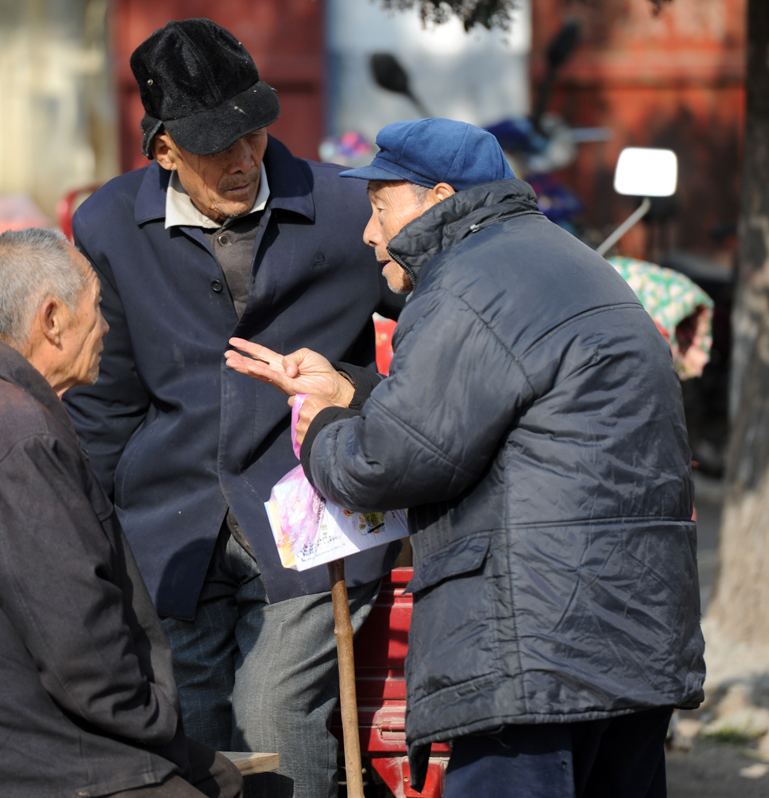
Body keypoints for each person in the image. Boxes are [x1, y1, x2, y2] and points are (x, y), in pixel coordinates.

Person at [227, 118, 706, 798]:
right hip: (631, 639)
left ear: (439, 198)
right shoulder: (562, 260)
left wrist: (322, 426)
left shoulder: (467, 285)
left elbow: (385, 465)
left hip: (535, 651)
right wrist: (352, 391)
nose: (369, 233)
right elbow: (500, 414)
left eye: (379, 207)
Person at [61, 19, 402, 798]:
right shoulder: (108, 225)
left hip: (315, 509)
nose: (245, 157)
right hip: (172, 522)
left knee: (274, 710)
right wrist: (88, 534)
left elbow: (441, 328)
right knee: (195, 724)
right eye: (218, 144)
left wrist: (363, 397)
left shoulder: (350, 211)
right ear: (164, 149)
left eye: (254, 132)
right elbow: (105, 401)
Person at [0, 228, 241, 798]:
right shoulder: (15, 434)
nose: (106, 327)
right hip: (21, 771)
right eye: (97, 309)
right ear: (52, 320)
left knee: (223, 773)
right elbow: (82, 646)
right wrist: (156, 723)